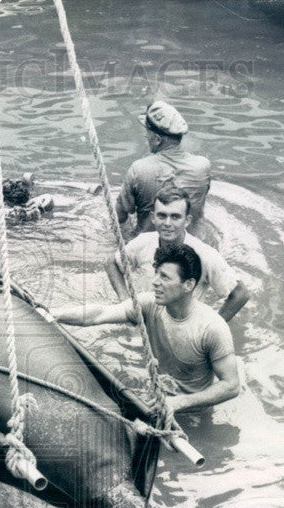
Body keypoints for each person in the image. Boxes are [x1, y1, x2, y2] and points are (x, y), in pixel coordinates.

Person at [50, 243, 239, 416]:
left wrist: (178, 403)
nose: (155, 282)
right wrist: (53, 313)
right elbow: (98, 314)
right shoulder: (149, 305)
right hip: (156, 398)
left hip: (192, 413)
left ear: (188, 284)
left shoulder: (212, 328)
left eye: (164, 277)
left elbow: (231, 386)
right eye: (156, 273)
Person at [105, 184, 249, 321]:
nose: (167, 223)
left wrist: (212, 326)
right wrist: (125, 301)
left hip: (181, 326)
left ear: (187, 221)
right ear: (153, 218)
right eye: (162, 216)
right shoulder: (143, 242)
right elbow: (112, 262)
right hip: (148, 318)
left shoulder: (205, 255)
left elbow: (240, 294)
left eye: (175, 217)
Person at [116, 99, 211, 235]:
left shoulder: (139, 169)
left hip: (149, 247)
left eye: (147, 132)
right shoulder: (203, 166)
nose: (145, 135)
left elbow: (119, 217)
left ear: (157, 139)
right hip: (193, 247)